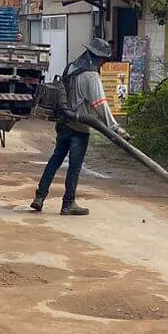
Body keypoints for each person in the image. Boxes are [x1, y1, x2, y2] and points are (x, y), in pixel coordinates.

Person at [30, 36, 118, 216]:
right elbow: (100, 104)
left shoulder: (70, 67)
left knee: (55, 160)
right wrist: (114, 127)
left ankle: (39, 197)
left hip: (63, 122)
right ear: (99, 58)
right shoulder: (91, 75)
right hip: (80, 126)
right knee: (75, 166)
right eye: (103, 60)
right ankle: (68, 203)